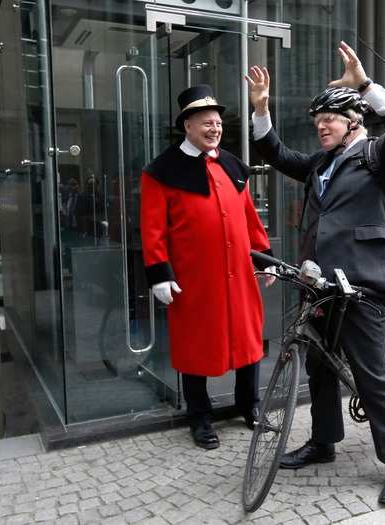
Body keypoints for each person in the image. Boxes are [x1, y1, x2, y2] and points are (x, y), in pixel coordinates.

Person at [245, 41, 385, 505]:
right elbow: (279, 155)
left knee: (372, 375)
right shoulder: (321, 163)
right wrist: (261, 111)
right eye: (318, 122)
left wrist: (364, 84)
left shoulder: (378, 157)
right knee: (319, 367)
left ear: (354, 123)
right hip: (319, 284)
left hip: (365, 285)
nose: (321, 128)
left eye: (331, 121)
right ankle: (324, 442)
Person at [140, 84, 275, 450]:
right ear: (187, 125)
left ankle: (250, 405)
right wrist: (159, 274)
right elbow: (152, 231)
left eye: (217, 122)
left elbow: (251, 220)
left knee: (249, 342)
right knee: (196, 348)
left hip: (240, 276)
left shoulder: (232, 165)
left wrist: (264, 259)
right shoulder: (160, 172)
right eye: (206, 123)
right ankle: (199, 418)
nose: (214, 129)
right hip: (194, 281)